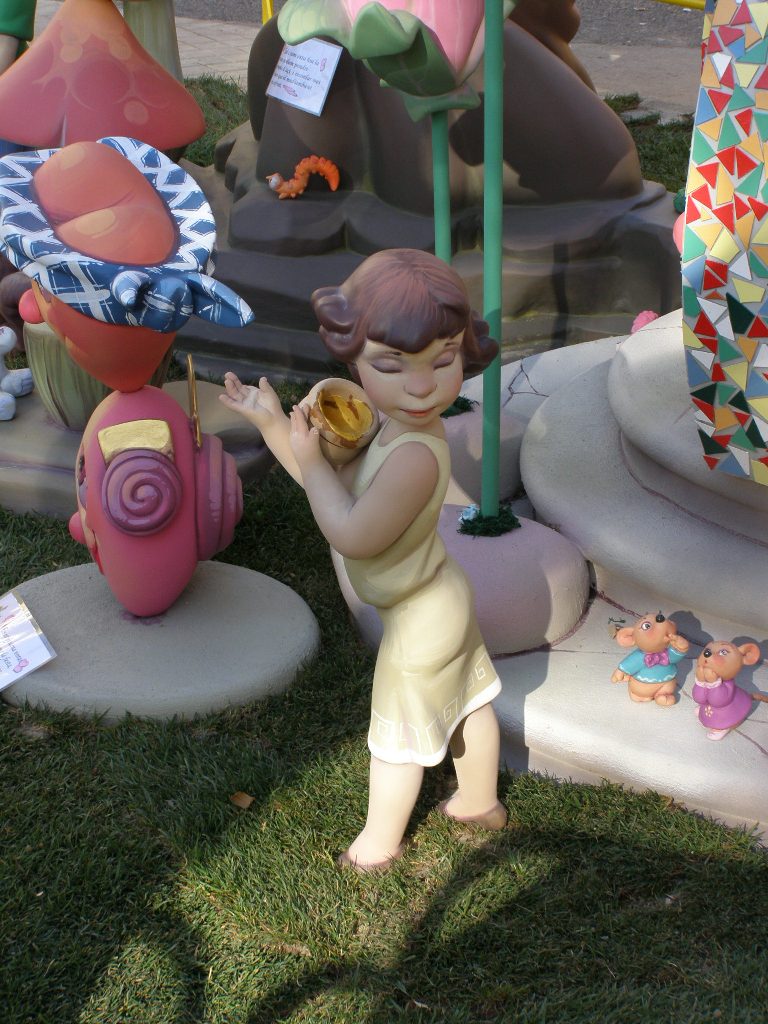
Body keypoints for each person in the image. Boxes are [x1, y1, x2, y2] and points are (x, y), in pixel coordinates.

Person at [220, 248, 506, 871]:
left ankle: (378, 846)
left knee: (396, 736)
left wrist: (314, 459)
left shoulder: (415, 454)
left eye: (444, 360)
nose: (422, 385)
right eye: (391, 365)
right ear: (352, 361)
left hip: (420, 617)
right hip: (438, 597)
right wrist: (273, 425)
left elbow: (350, 533)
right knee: (466, 699)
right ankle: (479, 802)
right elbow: (326, 485)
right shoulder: (390, 426)